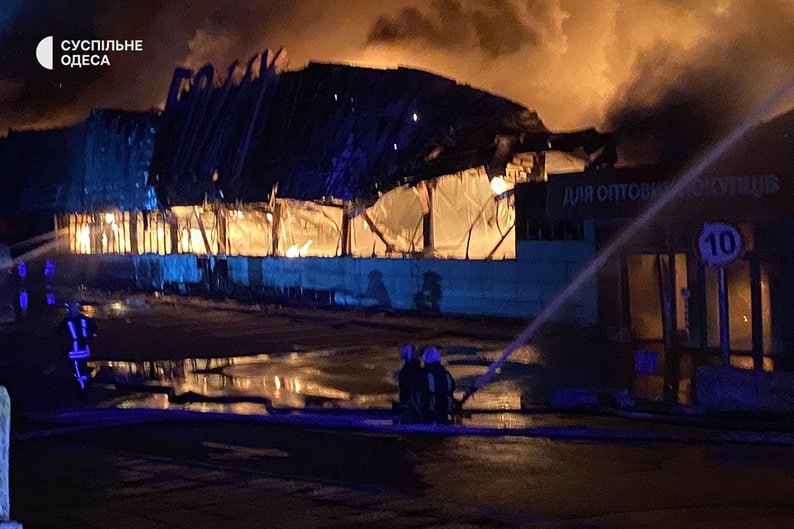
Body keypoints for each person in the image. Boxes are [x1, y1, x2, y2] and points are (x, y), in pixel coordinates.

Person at [60, 302, 98, 386]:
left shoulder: (66, 321)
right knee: (82, 365)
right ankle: (85, 381)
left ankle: (81, 382)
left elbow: (60, 334)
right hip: (84, 349)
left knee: (76, 367)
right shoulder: (87, 320)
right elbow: (94, 332)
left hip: (73, 350)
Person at [420, 346, 456, 424]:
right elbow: (452, 387)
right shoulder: (446, 373)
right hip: (446, 409)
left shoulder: (424, 374)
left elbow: (417, 392)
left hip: (430, 410)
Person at [396, 344, 422, 423]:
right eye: (414, 352)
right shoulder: (410, 372)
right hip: (413, 407)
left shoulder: (406, 371)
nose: (417, 354)